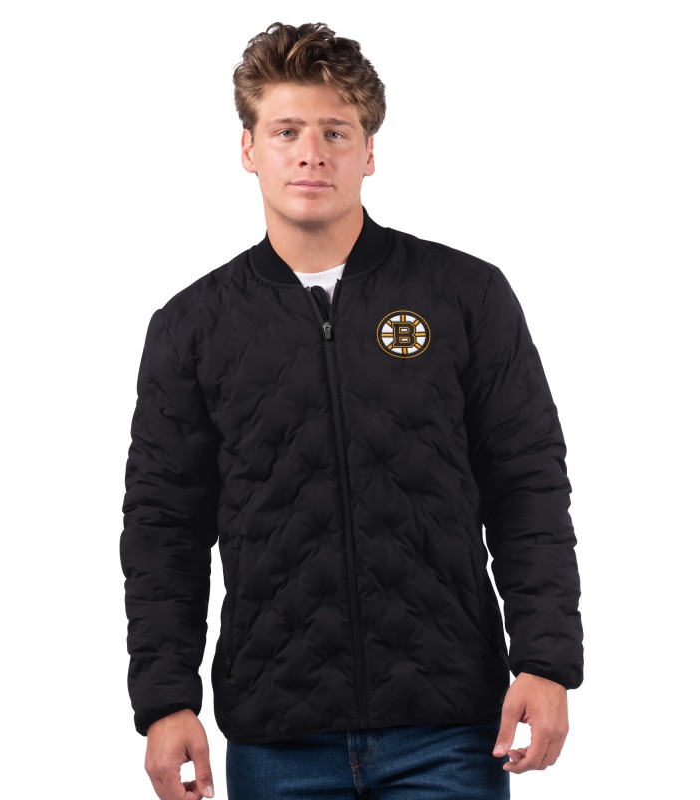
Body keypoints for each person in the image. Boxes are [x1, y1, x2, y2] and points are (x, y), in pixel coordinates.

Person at [120, 21, 583, 800]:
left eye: (335, 131)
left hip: (449, 730)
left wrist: (545, 660)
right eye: (287, 130)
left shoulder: (464, 295)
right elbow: (164, 526)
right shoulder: (192, 327)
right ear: (248, 148)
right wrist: (165, 700)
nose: (311, 153)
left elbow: (527, 485)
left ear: (368, 152)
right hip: (277, 737)